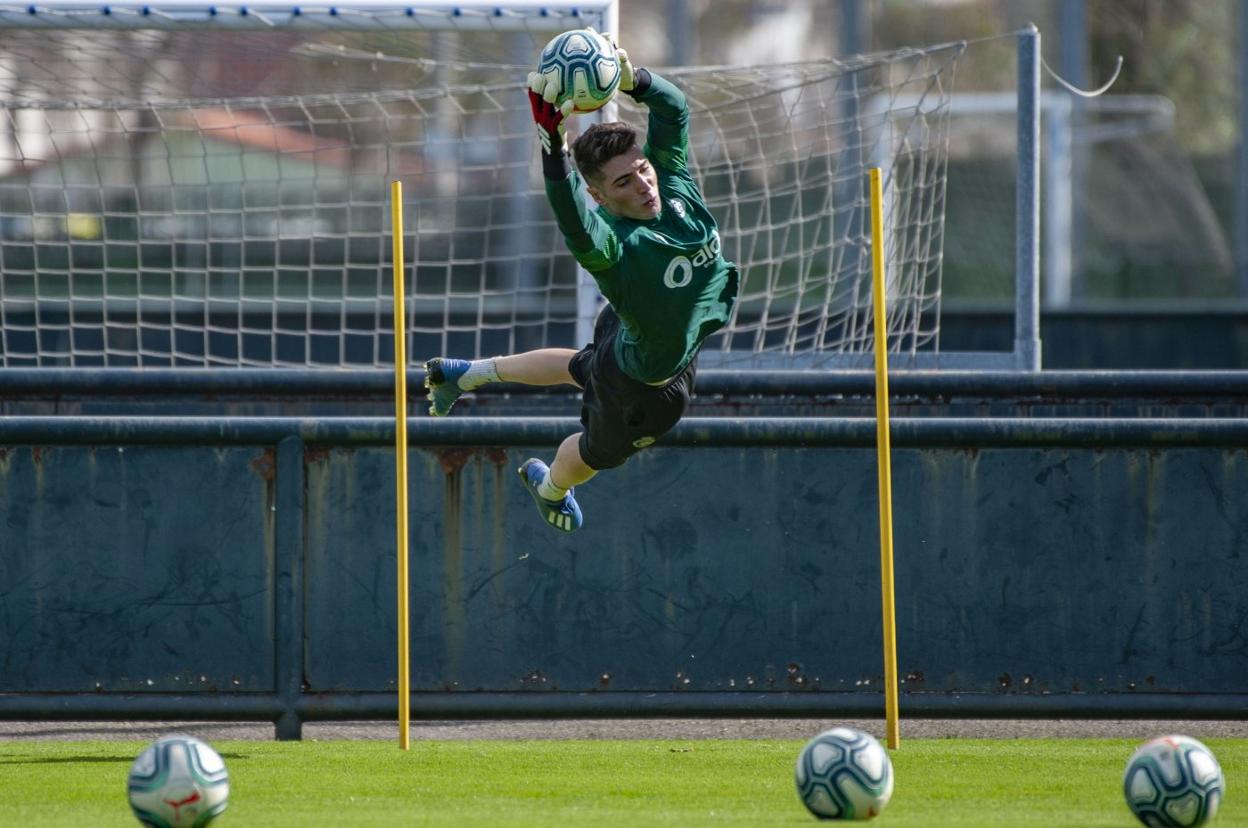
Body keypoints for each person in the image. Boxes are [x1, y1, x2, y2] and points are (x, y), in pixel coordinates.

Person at [423, 41, 739, 533]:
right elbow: (571, 217)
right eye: (624, 184)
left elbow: (674, 109)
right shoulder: (614, 246)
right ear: (599, 196)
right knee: (595, 453)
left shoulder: (671, 182)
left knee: (585, 366)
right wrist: (552, 145)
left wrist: (635, 81)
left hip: (640, 339)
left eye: (642, 170)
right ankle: (551, 488)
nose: (643, 185)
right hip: (647, 385)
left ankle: (468, 374)